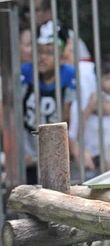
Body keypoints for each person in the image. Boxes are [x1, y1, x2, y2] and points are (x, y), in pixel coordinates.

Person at [20, 21, 76, 184]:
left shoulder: (69, 75)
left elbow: (67, 116)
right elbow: (10, 113)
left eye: (50, 53)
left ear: (62, 55)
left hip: (53, 148)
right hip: (25, 149)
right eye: (40, 52)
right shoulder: (25, 72)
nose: (43, 57)